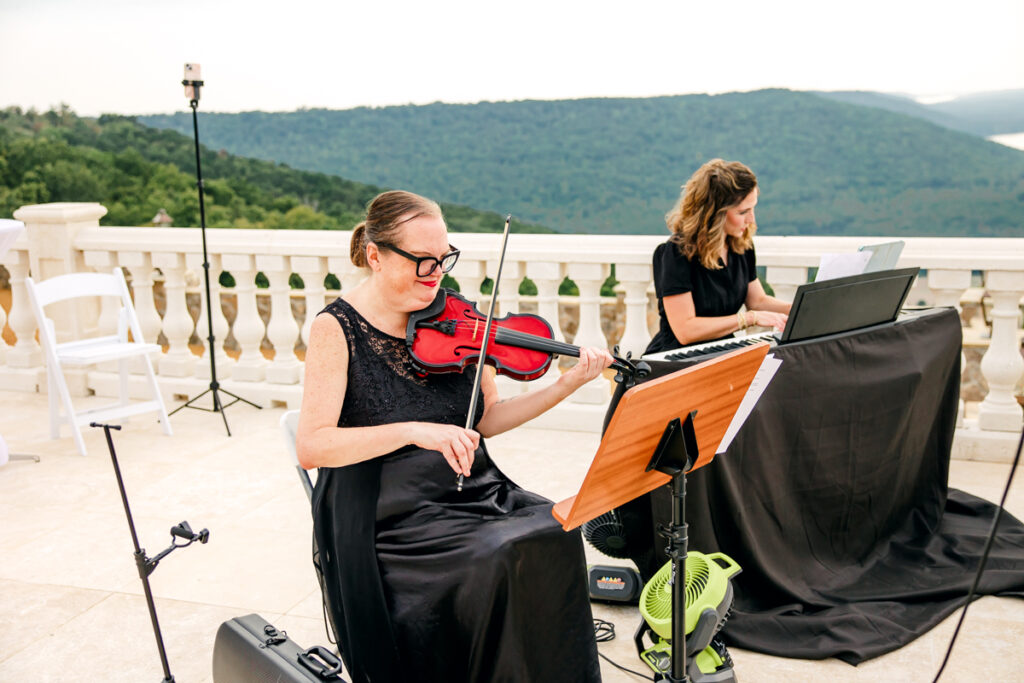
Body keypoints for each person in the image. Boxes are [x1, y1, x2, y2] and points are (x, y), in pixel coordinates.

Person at [296, 190, 610, 683]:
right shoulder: (337, 328)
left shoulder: (458, 314)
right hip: (386, 513)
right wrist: (414, 431)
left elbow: (488, 418)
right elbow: (312, 445)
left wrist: (567, 382)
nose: (436, 274)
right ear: (375, 256)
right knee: (497, 556)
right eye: (422, 262)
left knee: (555, 531)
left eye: (444, 258)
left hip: (469, 490)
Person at [645, 159, 791, 355]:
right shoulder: (677, 252)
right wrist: (748, 319)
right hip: (679, 359)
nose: (751, 220)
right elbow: (685, 331)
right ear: (715, 214)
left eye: (753, 209)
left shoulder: (741, 246)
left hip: (721, 351)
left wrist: (801, 309)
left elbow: (757, 301)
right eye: (743, 212)